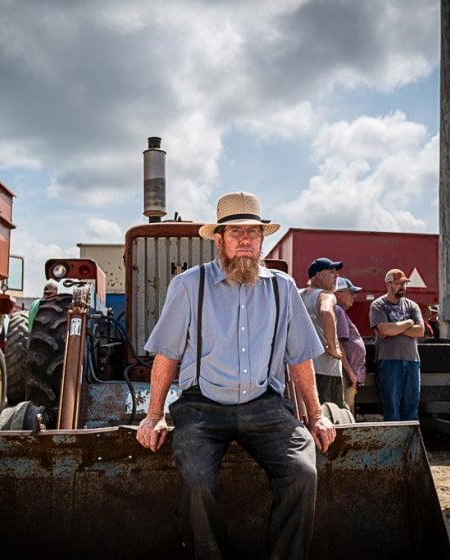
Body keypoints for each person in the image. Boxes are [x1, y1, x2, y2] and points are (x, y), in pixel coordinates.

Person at [136, 191, 336, 559]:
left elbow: (300, 357)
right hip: (201, 408)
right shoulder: (188, 286)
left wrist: (317, 414)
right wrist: (154, 414)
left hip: (265, 405)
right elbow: (167, 354)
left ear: (262, 240)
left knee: (303, 473)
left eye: (253, 233)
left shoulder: (283, 288)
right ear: (219, 240)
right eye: (235, 232)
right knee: (196, 479)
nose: (245, 239)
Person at [368, 268, 424, 421]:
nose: (402, 287)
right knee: (391, 407)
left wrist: (395, 328)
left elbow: (420, 331)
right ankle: (394, 443)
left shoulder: (412, 305)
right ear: (388, 284)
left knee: (411, 406)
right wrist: (408, 322)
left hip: (412, 361)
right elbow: (384, 329)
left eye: (404, 283)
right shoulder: (378, 305)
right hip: (389, 361)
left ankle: (410, 443)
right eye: (398, 283)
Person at [299, 257, 347, 409]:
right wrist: (332, 347)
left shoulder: (297, 294)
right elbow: (326, 311)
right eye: (331, 272)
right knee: (331, 416)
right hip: (326, 369)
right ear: (318, 275)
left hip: (300, 369)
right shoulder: (326, 295)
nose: (336, 276)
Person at [334, 277, 366, 415]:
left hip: (348, 373)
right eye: (350, 292)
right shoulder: (338, 311)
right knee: (346, 412)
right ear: (339, 293)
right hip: (346, 374)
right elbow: (338, 344)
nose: (354, 296)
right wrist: (350, 373)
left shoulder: (340, 311)